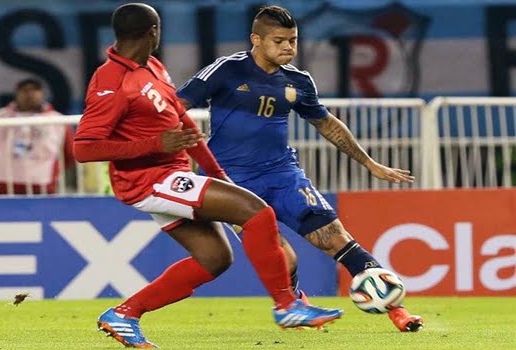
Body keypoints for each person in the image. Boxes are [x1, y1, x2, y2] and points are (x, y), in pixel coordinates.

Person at [74, 3, 343, 348]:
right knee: (257, 212)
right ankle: (287, 304)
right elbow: (84, 148)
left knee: (215, 259)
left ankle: (124, 314)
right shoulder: (111, 80)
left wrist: (218, 173)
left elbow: (183, 126)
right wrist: (156, 143)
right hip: (146, 180)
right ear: (153, 31)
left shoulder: (152, 67)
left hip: (170, 173)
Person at [177, 5, 424, 332]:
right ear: (256, 39)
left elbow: (327, 124)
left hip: (282, 175)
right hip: (232, 183)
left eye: (292, 40)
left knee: (335, 237)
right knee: (286, 259)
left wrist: (369, 163)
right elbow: (176, 106)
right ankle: (294, 304)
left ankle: (398, 311)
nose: (288, 47)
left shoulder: (298, 81)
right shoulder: (226, 70)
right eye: (279, 40)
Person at [0, 78, 74, 195]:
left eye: (35, 90)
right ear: (17, 94)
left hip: (41, 185)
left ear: (42, 93)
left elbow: (69, 154)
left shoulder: (58, 120)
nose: (29, 94)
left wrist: (53, 171)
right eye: (25, 90)